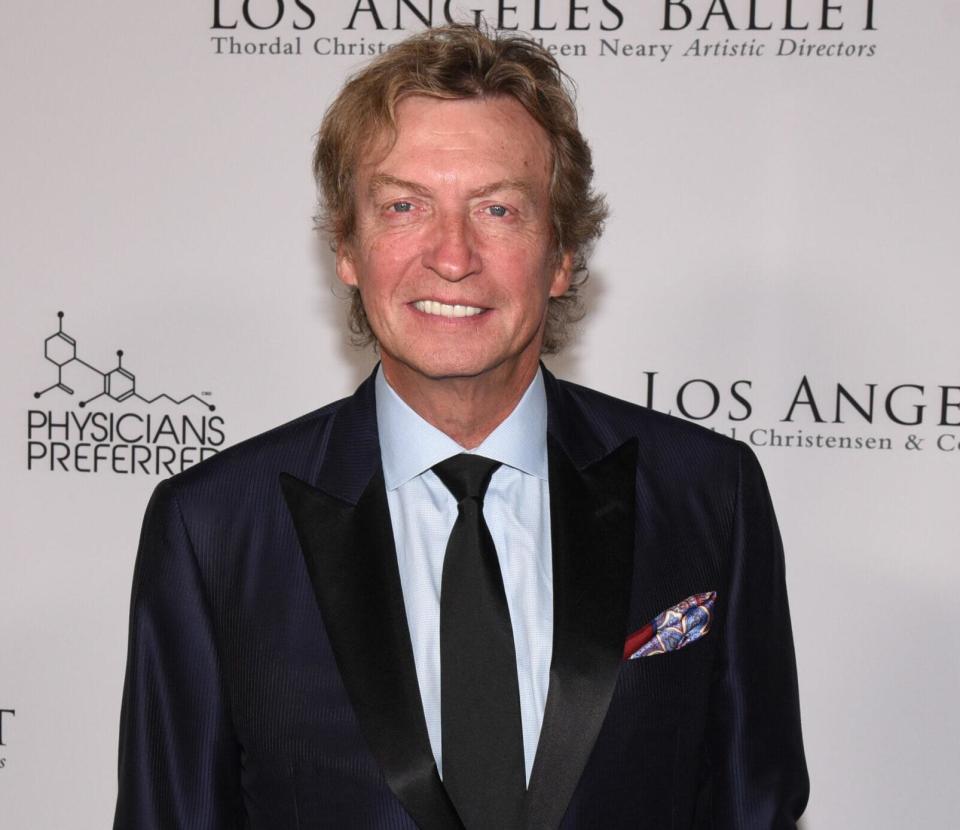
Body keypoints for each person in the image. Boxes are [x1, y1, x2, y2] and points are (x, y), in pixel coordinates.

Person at [114, 24, 808, 830]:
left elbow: (753, 804)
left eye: (499, 209)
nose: (451, 255)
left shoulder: (706, 494)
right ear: (347, 245)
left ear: (560, 254)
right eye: (404, 206)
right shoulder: (214, 527)